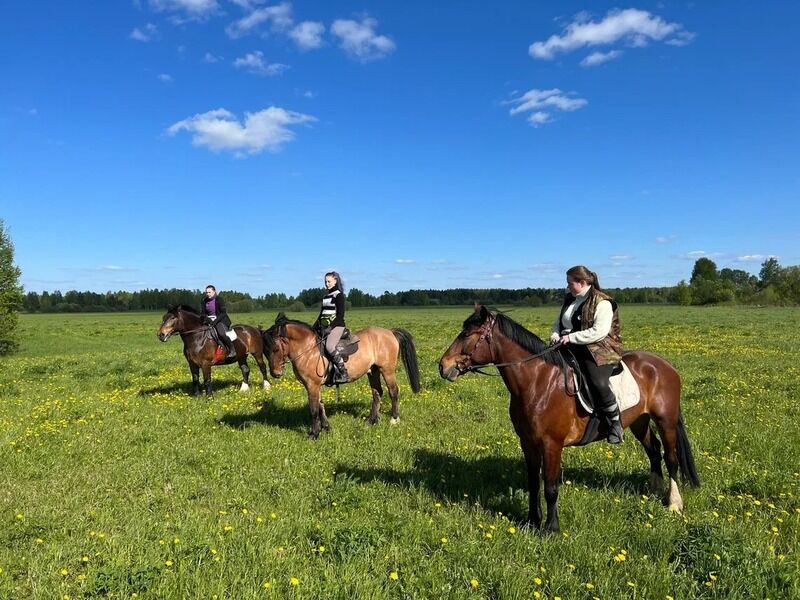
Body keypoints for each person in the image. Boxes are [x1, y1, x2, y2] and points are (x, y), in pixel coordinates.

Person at [550, 266, 624, 444]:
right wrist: (555, 334)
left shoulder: (603, 302)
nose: (567, 287)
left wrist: (570, 337)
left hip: (599, 349)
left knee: (598, 381)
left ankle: (615, 423)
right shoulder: (570, 299)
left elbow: (599, 332)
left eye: (570, 283)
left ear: (582, 283)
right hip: (569, 344)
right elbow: (558, 322)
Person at [314, 271, 349, 383]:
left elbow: (340, 315)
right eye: (325, 282)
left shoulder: (338, 295)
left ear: (335, 281)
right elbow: (321, 314)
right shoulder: (326, 297)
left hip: (337, 326)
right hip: (324, 327)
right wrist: (314, 327)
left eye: (329, 281)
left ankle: (344, 373)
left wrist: (330, 327)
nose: (327, 284)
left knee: (329, 346)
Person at [200, 285, 236, 358]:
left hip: (221, 320)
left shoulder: (219, 299)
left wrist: (214, 322)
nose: (208, 294)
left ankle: (232, 350)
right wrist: (206, 319)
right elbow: (203, 313)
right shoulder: (204, 301)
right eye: (206, 292)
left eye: (209, 292)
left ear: (214, 292)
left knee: (221, 334)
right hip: (209, 320)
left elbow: (223, 313)